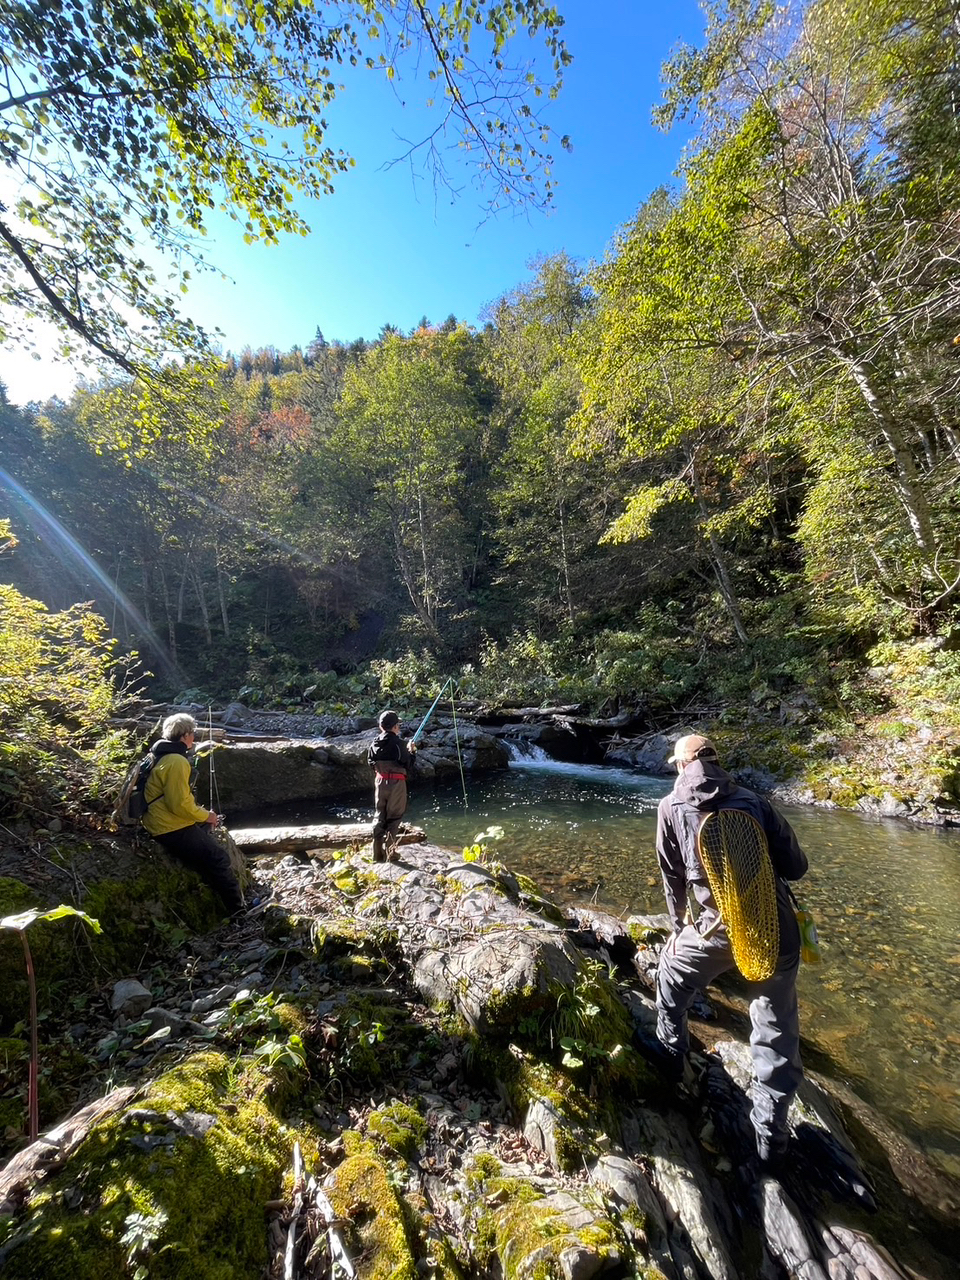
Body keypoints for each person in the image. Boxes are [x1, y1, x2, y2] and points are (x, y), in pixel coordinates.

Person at [654, 733, 809, 1164]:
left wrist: (676, 926)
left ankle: (673, 1056)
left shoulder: (671, 807)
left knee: (670, 979)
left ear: (682, 766)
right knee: (776, 1033)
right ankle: (771, 1138)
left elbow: (672, 877)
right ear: (716, 760)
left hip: (715, 932)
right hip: (773, 931)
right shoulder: (753, 800)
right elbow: (797, 868)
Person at [141, 712, 244, 916]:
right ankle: (238, 909)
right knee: (219, 858)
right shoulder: (176, 762)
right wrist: (208, 816)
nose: (194, 738)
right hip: (169, 827)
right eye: (193, 733)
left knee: (204, 834)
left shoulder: (157, 754)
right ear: (185, 735)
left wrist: (203, 817)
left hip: (156, 820)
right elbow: (179, 804)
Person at [368, 710, 416, 862]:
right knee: (394, 817)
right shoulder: (399, 744)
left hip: (380, 782)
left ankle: (376, 853)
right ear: (395, 727)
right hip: (396, 784)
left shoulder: (374, 743)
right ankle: (390, 853)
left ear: (381, 726)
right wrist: (412, 751)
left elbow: (371, 763)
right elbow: (408, 764)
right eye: (398, 725)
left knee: (379, 815)